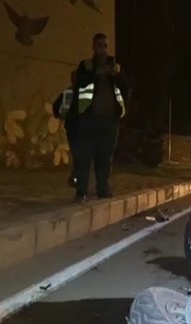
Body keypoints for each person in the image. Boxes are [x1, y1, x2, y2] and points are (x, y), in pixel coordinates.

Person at [72, 32, 127, 202]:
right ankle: (81, 192)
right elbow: (79, 82)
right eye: (99, 46)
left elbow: (126, 87)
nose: (102, 49)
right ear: (93, 48)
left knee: (105, 158)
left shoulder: (115, 67)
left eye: (105, 46)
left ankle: (103, 190)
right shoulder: (86, 65)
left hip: (110, 120)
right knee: (85, 157)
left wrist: (117, 76)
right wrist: (98, 72)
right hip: (89, 120)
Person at [52, 70, 79, 187]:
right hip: (83, 127)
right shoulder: (86, 93)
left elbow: (57, 107)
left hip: (71, 126)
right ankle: (77, 177)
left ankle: (75, 176)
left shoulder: (68, 92)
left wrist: (60, 115)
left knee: (75, 152)